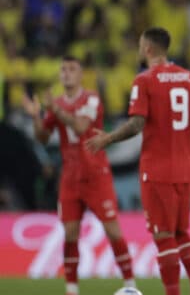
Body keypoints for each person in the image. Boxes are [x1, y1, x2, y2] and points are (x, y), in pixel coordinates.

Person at [85, 28, 190, 295]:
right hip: (184, 168)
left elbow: (136, 124)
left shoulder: (145, 80)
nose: (140, 50)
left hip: (157, 170)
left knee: (164, 235)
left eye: (141, 45)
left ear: (148, 49)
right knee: (182, 232)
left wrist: (108, 139)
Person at [22, 56, 136, 295]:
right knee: (70, 233)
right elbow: (43, 137)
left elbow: (81, 127)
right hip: (70, 178)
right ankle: (71, 289)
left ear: (80, 73)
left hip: (96, 175)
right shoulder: (59, 102)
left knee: (113, 230)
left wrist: (55, 110)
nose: (66, 73)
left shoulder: (91, 98)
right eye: (63, 69)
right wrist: (36, 116)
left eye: (71, 69)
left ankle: (130, 286)